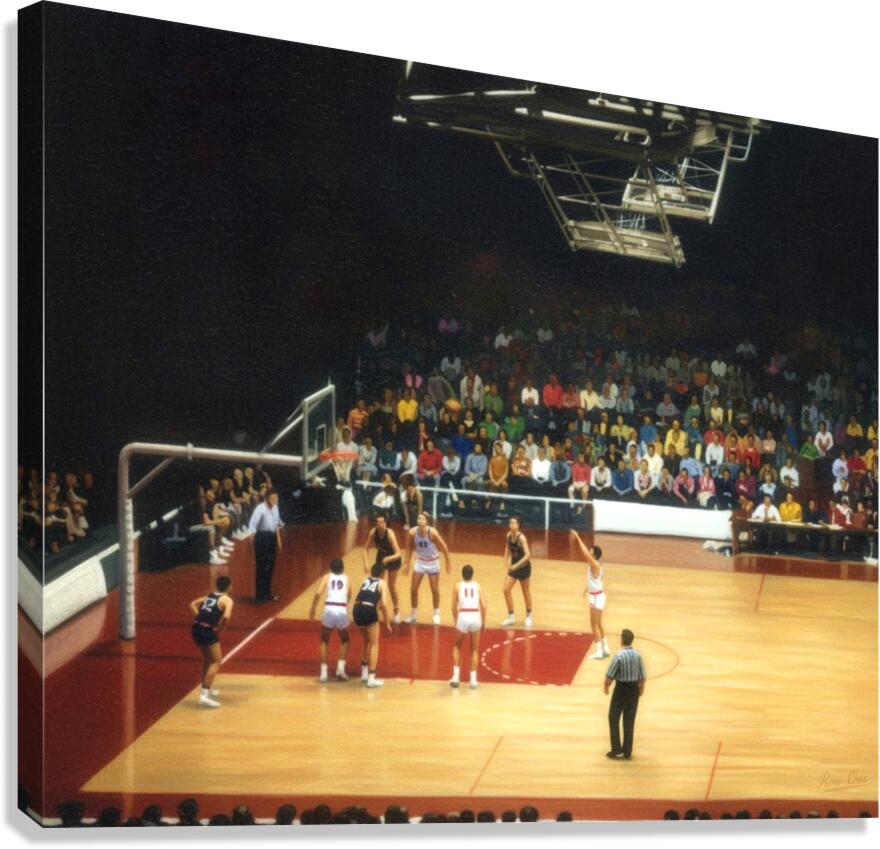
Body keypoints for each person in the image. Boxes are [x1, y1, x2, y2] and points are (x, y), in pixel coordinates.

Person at [189, 576, 234, 708]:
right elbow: (226, 616)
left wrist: (199, 617)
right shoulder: (227, 600)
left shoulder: (210, 596)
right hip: (207, 631)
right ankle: (204, 696)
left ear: (217, 586)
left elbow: (192, 604)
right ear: (229, 587)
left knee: (207, 660)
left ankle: (206, 686)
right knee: (216, 661)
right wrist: (220, 629)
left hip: (196, 629)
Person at [403, 512, 452, 625]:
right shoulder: (412, 532)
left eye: (422, 518)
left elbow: (444, 547)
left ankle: (436, 613)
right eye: (419, 518)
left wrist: (448, 563)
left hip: (433, 562)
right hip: (420, 562)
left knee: (434, 589)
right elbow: (409, 548)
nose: (420, 520)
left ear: (427, 521)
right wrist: (407, 563)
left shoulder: (432, 532)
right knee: (413, 589)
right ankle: (413, 615)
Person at [604, 628, 646, 760]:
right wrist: (640, 690)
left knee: (613, 717)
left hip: (621, 690)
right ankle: (627, 751)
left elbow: (610, 675)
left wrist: (606, 686)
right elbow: (642, 677)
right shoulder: (637, 655)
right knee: (629, 720)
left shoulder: (619, 656)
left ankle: (616, 748)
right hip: (633, 690)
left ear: (622, 640)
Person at [308, 558, 351, 682]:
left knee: (324, 640)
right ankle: (340, 670)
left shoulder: (327, 577)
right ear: (342, 569)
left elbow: (318, 593)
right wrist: (345, 603)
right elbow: (349, 595)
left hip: (329, 610)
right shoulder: (347, 579)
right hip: (341, 610)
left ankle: (323, 673)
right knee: (345, 640)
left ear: (330, 569)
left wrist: (313, 608)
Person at [353, 563, 393, 688]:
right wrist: (387, 622)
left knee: (366, 641)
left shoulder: (365, 580)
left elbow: (362, 596)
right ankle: (371, 678)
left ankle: (364, 674)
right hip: (369, 610)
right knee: (374, 644)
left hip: (357, 610)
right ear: (383, 573)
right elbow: (384, 604)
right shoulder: (382, 583)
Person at [570, 532, 608, 659]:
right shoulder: (597, 566)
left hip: (596, 598)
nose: (589, 551)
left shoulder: (594, 564)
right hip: (599, 595)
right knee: (599, 623)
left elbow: (584, 552)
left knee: (593, 625)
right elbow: (596, 581)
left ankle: (599, 651)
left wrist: (578, 537)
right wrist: (586, 589)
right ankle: (605, 647)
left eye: (591, 551)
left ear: (594, 555)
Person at [449, 564, 486, 690]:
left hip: (463, 616)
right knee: (474, 649)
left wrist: (456, 621)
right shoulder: (478, 586)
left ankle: (455, 678)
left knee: (457, 646)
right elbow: (484, 606)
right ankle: (473, 681)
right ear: (472, 574)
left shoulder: (457, 586)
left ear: (462, 574)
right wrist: (483, 622)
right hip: (475, 616)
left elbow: (453, 607)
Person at [362, 513, 403, 622]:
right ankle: (379, 606)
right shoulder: (373, 532)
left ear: (385, 523)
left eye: (381, 522)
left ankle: (396, 610)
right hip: (382, 555)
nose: (379, 524)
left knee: (391, 585)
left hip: (392, 557)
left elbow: (398, 553)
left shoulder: (390, 534)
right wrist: (366, 563)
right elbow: (365, 549)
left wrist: (388, 559)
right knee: (378, 584)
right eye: (377, 522)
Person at [247, 488, 283, 603]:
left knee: (270, 567)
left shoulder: (276, 508)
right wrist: (252, 543)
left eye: (276, 498)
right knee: (262, 567)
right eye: (273, 498)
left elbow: (276, 525)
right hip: (262, 538)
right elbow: (252, 526)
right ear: (267, 498)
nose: (275, 500)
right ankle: (259, 596)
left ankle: (267, 593)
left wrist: (278, 540)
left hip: (271, 537)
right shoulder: (260, 509)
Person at [501, 516, 533, 628]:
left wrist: (515, 566)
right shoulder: (508, 536)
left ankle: (529, 616)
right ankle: (511, 617)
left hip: (524, 568)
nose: (511, 525)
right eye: (510, 523)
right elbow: (508, 549)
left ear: (518, 525)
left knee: (525, 592)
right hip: (514, 568)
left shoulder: (522, 538)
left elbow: (528, 555)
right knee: (506, 589)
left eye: (514, 523)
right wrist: (506, 561)